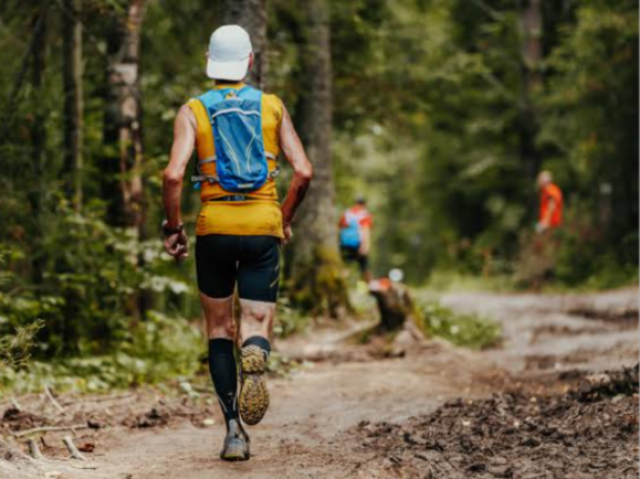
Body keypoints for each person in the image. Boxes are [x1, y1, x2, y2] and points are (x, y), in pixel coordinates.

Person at [162, 25, 313, 461]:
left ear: (209, 60)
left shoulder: (193, 111)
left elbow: (173, 175)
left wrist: (173, 227)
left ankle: (233, 432)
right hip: (262, 223)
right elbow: (303, 171)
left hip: (215, 227)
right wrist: (282, 220)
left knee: (217, 328)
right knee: (254, 323)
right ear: (249, 61)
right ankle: (255, 351)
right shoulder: (272, 106)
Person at [339, 196, 373, 282]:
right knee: (364, 267)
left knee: (346, 265)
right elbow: (365, 230)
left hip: (345, 243)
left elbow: (341, 228)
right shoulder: (364, 214)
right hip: (358, 243)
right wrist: (365, 246)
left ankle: (342, 283)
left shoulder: (347, 213)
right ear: (364, 204)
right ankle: (370, 287)